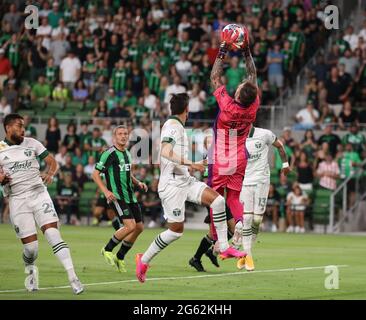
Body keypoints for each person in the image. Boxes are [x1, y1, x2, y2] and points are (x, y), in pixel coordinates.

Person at [135, 93, 246, 283]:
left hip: (185, 181)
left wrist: (195, 164)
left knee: (218, 201)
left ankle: (223, 246)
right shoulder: (171, 126)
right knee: (175, 231)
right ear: (187, 109)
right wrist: (191, 164)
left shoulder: (178, 126)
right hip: (171, 186)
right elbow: (165, 152)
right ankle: (143, 260)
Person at [0, 113, 83, 294]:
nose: (23, 129)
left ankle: (73, 278)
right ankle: (30, 268)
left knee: (53, 234)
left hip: (39, 195)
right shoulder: (0, 149)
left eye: (23, 126)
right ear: (8, 127)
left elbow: (52, 162)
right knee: (31, 249)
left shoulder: (33, 143)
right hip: (18, 200)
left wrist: (50, 173)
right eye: (19, 126)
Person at [208, 26, 259, 249]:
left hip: (222, 156)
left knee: (215, 198)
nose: (239, 85)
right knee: (234, 198)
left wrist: (222, 49)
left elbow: (214, 77)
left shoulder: (227, 105)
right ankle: (238, 224)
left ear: (238, 94)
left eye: (239, 87)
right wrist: (246, 51)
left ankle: (220, 239)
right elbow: (253, 75)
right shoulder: (253, 107)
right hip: (239, 157)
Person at [92, 126, 148, 273]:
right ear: (114, 137)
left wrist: (138, 183)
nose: (123, 136)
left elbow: (128, 174)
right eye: (120, 134)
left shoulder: (128, 154)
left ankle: (120, 256)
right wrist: (105, 191)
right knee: (130, 226)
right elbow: (95, 174)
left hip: (130, 196)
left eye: (125, 134)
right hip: (117, 196)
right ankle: (107, 249)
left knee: (139, 227)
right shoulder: (109, 153)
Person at [236, 126, 290, 271]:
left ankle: (244, 252)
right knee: (247, 218)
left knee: (257, 220)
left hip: (262, 181)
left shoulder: (264, 134)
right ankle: (248, 255)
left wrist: (285, 164)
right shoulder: (235, 135)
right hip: (245, 181)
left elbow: (280, 146)